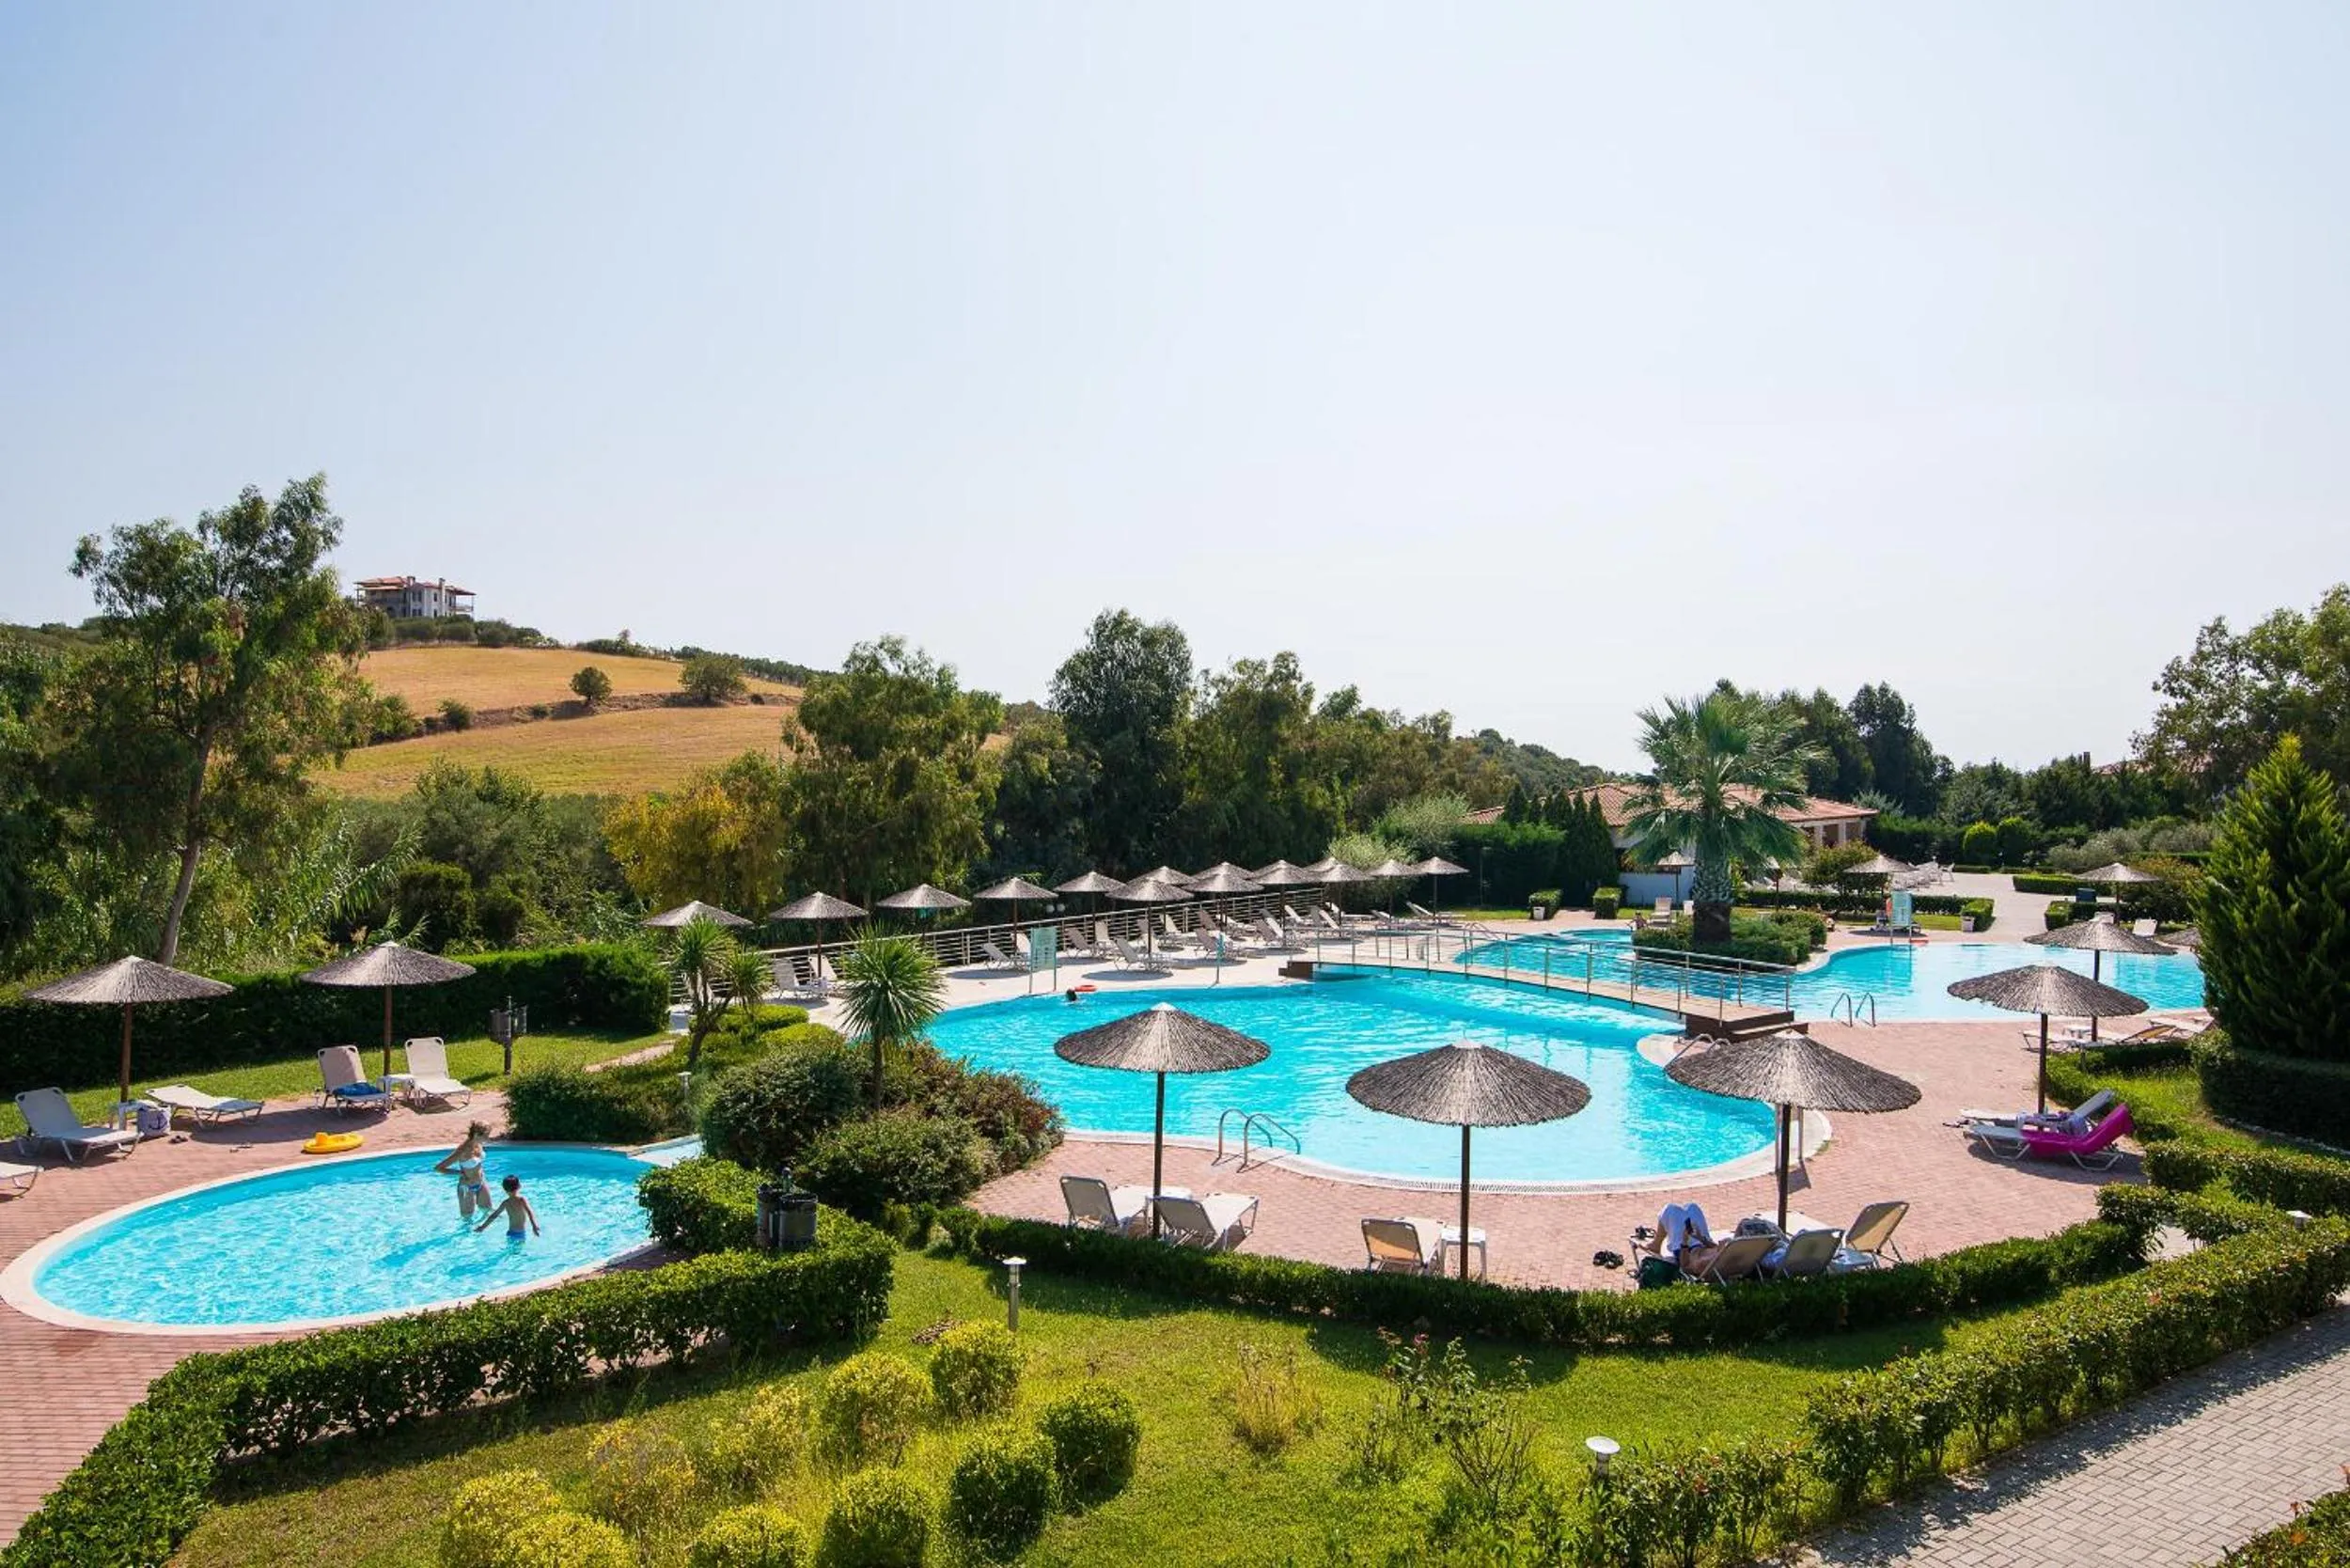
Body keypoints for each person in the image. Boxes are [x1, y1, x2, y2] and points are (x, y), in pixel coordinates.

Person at [433, 1121, 495, 1220]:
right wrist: (460, 1173)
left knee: (487, 1210)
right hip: (467, 1187)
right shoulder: (463, 1151)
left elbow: (478, 1163)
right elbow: (438, 1168)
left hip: (481, 1182)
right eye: (486, 1136)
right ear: (476, 1135)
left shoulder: (478, 1144)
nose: (488, 1139)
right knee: (467, 1218)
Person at [474, 1173, 540, 1243]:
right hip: (520, 1233)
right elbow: (529, 1212)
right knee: (518, 1252)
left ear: (504, 1189)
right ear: (519, 1186)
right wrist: (534, 1226)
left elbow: (494, 1215)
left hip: (510, 1233)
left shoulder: (505, 1203)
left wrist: (483, 1227)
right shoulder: (522, 1200)